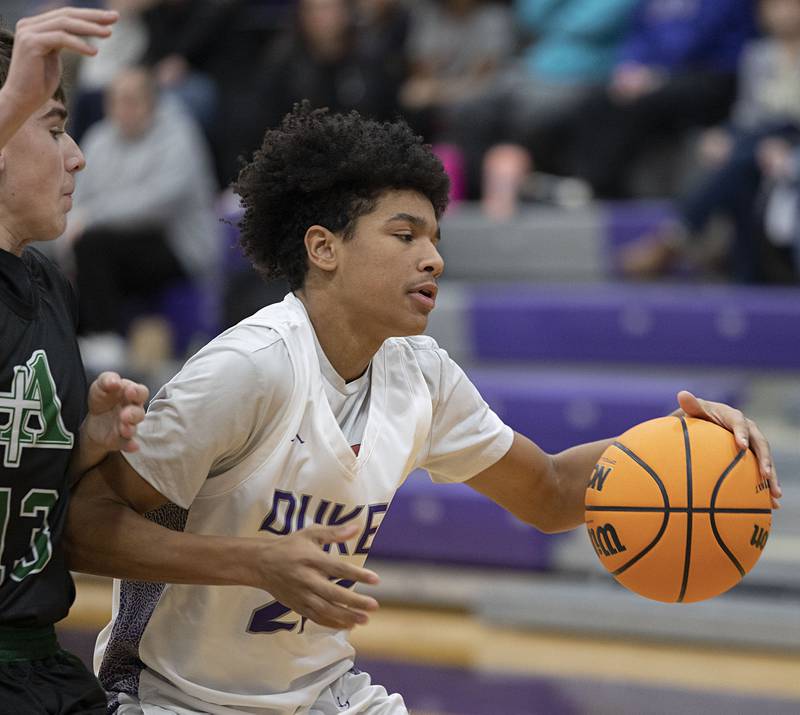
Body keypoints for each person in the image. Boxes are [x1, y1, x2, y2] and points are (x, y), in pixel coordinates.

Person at [66, 104, 782, 714]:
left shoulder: (422, 374)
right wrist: (251, 560)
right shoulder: (247, 367)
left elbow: (555, 493)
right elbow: (87, 526)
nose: (434, 257)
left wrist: (678, 441)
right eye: (406, 235)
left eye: (436, 237)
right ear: (324, 248)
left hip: (322, 693)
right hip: (172, 696)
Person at [0, 8, 149, 712]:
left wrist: (86, 441)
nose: (78, 155)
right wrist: (9, 105)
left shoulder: (51, 286)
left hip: (38, 659)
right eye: (54, 127)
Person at [622, 0, 800, 282]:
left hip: (791, 139)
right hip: (758, 137)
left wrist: (788, 149)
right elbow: (748, 112)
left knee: (742, 160)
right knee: (734, 159)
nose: (784, 13)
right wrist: (726, 134)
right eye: (775, 6)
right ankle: (740, 269)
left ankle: (678, 235)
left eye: (791, 6)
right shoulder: (757, 54)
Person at [65, 64, 218, 366]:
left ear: (152, 101)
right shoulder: (99, 138)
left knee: (93, 244)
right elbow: (77, 199)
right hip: (116, 246)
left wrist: (93, 217)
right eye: (116, 100)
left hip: (176, 245)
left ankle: (104, 338)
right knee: (66, 249)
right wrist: (72, 229)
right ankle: (76, 344)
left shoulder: (179, 134)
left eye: (132, 99)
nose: (123, 108)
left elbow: (159, 202)